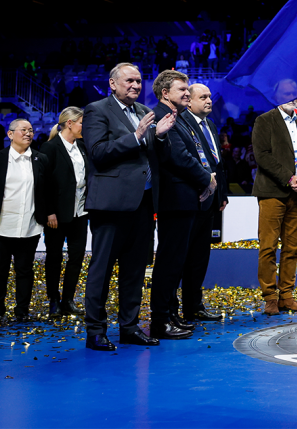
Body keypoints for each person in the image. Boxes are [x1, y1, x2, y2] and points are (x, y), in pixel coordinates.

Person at [83, 62, 176, 350]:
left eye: (138, 81)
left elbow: (154, 155)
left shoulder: (142, 112)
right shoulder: (97, 110)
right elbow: (98, 152)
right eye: (129, 81)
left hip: (143, 203)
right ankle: (95, 331)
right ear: (113, 84)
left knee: (135, 270)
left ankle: (129, 327)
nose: (136, 86)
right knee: (102, 269)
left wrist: (158, 136)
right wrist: (136, 137)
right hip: (111, 205)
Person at [151, 70, 216, 340]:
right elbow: (179, 157)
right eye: (182, 90)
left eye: (188, 89)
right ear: (165, 93)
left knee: (176, 263)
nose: (187, 93)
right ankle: (161, 320)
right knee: (169, 263)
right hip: (174, 200)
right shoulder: (162, 116)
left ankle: (171, 314)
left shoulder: (179, 118)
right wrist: (207, 181)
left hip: (185, 199)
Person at [252, 92, 297, 314]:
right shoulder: (264, 120)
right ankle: (270, 297)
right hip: (273, 192)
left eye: (295, 93)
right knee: (268, 247)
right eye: (286, 93)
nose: (291, 97)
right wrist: (289, 178)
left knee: (292, 248)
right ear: (275, 96)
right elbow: (262, 155)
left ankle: (286, 296)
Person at [0, 118, 49, 323]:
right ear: (10, 134)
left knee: (25, 271)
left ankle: (22, 311)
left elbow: (45, 191)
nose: (28, 133)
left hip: (30, 227)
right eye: (23, 130)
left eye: (31, 130)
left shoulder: (41, 159)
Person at [179, 83, 228, 322]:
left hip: (210, 200)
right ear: (189, 101)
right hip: (191, 198)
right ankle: (173, 308)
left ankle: (194, 306)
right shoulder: (183, 123)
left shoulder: (210, 125)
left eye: (210, 96)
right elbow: (186, 161)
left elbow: (217, 162)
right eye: (203, 97)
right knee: (182, 257)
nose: (209, 100)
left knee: (199, 257)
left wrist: (223, 194)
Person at [40, 107, 88, 317]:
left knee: (76, 257)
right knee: (54, 257)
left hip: (80, 212)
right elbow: (43, 183)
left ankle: (68, 299)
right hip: (57, 215)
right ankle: (53, 300)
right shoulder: (49, 148)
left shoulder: (83, 146)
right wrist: (50, 212)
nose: (83, 127)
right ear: (69, 123)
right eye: (81, 123)